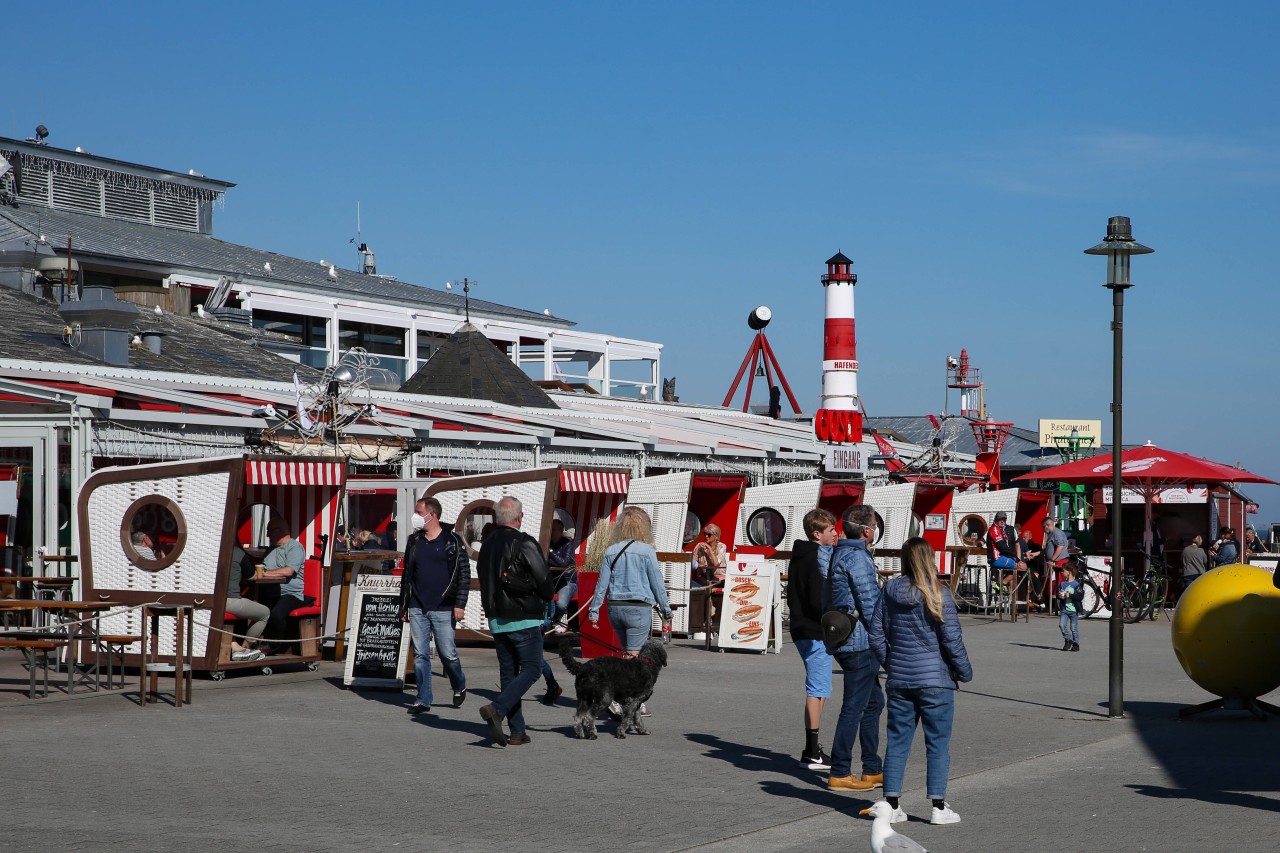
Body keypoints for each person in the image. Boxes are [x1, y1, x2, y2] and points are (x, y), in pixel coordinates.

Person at [867, 537, 973, 826]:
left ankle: (892, 804)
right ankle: (938, 806)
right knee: (937, 743)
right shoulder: (939, 594)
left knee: (897, 742)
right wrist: (964, 671)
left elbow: (875, 635)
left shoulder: (889, 590)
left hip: (900, 679)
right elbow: (952, 641)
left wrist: (892, 664)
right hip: (936, 680)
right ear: (929, 559)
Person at [475, 496, 555, 748]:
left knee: (509, 674)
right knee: (531, 668)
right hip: (523, 617)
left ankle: (517, 731)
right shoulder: (524, 541)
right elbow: (545, 582)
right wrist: (546, 597)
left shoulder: (486, 544)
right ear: (519, 517)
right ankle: (496, 709)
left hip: (497, 618)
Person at [824, 504, 885, 793]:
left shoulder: (840, 552)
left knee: (873, 702)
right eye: (874, 526)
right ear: (866, 530)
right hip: (859, 642)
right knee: (854, 707)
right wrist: (884, 637)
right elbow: (870, 603)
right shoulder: (858, 557)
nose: (875, 531)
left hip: (850, 639)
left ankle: (872, 768)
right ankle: (840, 771)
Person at [398, 497, 470, 716]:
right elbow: (407, 574)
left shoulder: (452, 541)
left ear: (432, 515)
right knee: (420, 655)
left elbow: (464, 574)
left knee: (447, 654)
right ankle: (423, 699)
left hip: (443, 606)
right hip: (418, 605)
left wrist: (460, 604)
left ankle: (459, 684)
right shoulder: (414, 540)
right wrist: (404, 605)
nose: (416, 517)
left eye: (419, 512)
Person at [787, 507, 840, 771]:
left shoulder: (801, 555)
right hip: (813, 629)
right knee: (817, 689)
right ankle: (812, 750)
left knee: (820, 688)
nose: (835, 534)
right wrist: (835, 618)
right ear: (817, 533)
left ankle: (813, 747)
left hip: (802, 627)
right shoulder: (815, 558)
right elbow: (817, 598)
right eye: (831, 530)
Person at [589, 506, 673, 659]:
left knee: (626, 651)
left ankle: (622, 681)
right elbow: (657, 584)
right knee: (634, 654)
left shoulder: (611, 550)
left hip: (615, 607)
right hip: (638, 607)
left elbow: (601, 585)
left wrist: (594, 612)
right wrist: (666, 609)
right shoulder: (647, 551)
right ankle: (627, 682)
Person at [259, 518, 308, 652]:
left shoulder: (295, 547)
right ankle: (246, 644)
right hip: (270, 591)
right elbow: (262, 568)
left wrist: (265, 573)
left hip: (291, 594)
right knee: (254, 610)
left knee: (276, 614)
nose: (268, 535)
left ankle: (274, 645)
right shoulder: (271, 549)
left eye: (270, 531)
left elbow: (289, 571)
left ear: (281, 531)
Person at [224, 544, 268, 662]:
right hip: (230, 601)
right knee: (264, 613)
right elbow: (252, 576)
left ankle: (236, 647)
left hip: (204, 600)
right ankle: (244, 648)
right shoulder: (236, 552)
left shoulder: (205, 551)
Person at [547, 518, 578, 634]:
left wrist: (550, 552)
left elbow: (564, 563)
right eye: (551, 529)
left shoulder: (568, 543)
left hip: (567, 579)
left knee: (561, 604)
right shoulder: (546, 542)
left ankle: (556, 621)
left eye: (555, 529)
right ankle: (546, 623)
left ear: (561, 531)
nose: (552, 532)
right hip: (551, 578)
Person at [987, 511, 1025, 595]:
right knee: (1022, 567)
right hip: (996, 558)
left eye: (1004, 519)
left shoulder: (1005, 529)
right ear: (996, 519)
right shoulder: (994, 529)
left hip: (1003, 557)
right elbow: (1002, 546)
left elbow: (1015, 545)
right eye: (1000, 519)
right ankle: (1001, 583)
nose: (1002, 521)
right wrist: (1017, 558)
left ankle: (1009, 597)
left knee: (1021, 567)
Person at [1057, 562, 1083, 652]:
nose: (1061, 572)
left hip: (1073, 609)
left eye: (1063, 571)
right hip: (1064, 609)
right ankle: (1068, 639)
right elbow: (1059, 593)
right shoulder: (1062, 584)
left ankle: (1076, 644)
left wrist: (1070, 595)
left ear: (1069, 572)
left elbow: (1080, 596)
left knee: (1073, 627)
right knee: (1061, 625)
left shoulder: (1076, 585)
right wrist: (1059, 595)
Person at [1015, 525, 1042, 610]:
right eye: (1022, 537)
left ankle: (1035, 600)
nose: (1024, 539)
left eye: (1025, 537)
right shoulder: (1020, 544)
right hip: (1024, 567)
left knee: (1035, 577)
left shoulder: (1036, 547)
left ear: (1030, 537)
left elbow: (1038, 560)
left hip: (1033, 566)